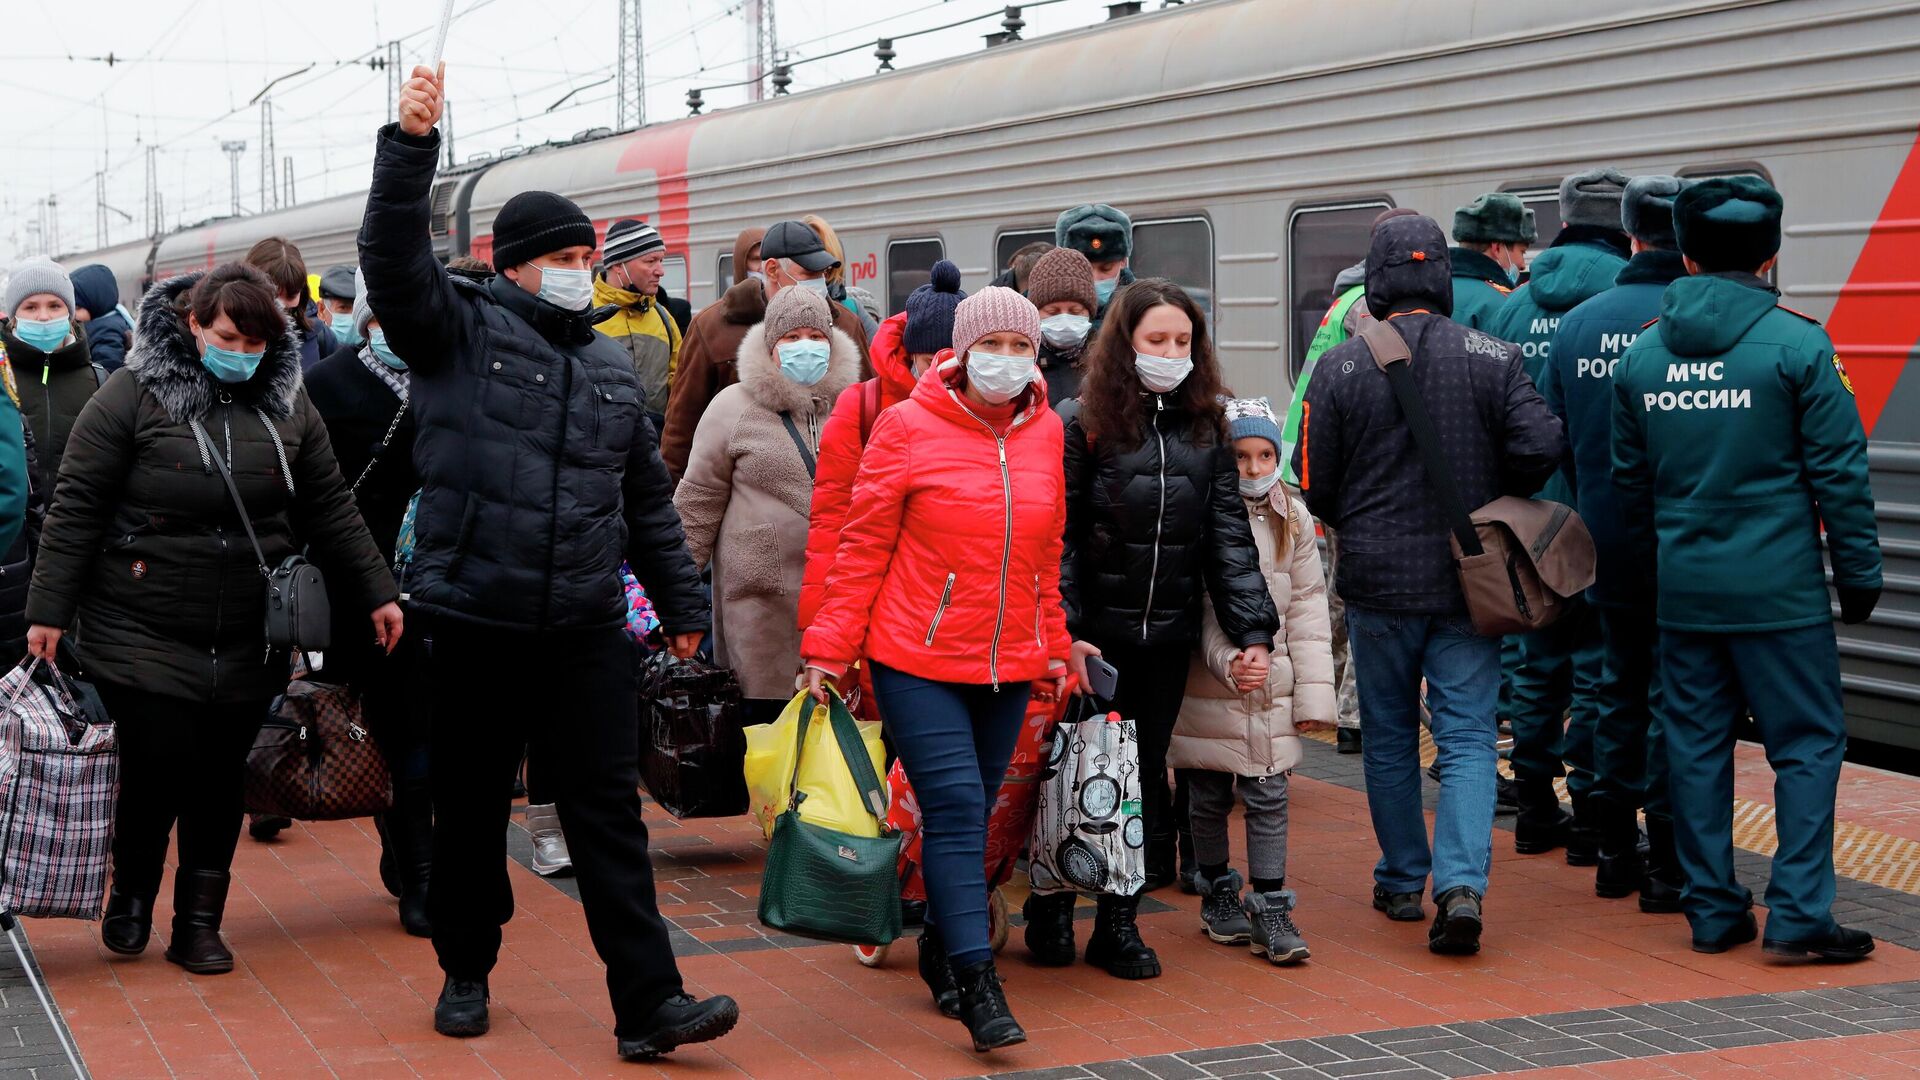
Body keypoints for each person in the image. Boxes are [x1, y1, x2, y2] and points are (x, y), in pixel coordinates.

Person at [360, 64, 737, 1060]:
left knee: (607, 813)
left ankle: (650, 1004)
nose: (579, 266)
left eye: (586, 252)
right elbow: (392, 260)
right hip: (475, 619)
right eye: (562, 254)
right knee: (475, 804)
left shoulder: (608, 363)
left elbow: (644, 499)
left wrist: (679, 601)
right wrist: (408, 149)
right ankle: (465, 964)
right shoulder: (456, 334)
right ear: (515, 264)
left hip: (583, 628)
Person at [23, 262, 402, 975]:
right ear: (194, 326)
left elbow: (330, 504)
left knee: (220, 776)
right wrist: (48, 610)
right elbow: (76, 506)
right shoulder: (130, 395)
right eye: (229, 337)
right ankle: (130, 896)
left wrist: (377, 589)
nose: (243, 354)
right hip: (142, 620)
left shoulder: (289, 404)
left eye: (258, 344)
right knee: (157, 765)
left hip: (249, 626)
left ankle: (199, 922)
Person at [1612, 177, 1880, 961]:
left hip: (1684, 595)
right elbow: (1841, 475)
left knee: (1694, 745)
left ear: (1685, 254)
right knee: (1805, 744)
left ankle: (1713, 910)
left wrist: (1650, 580)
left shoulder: (1643, 356)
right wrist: (1859, 575)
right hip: (1781, 595)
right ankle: (1798, 916)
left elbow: (1631, 492)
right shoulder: (1799, 345)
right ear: (1770, 256)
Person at [802, 286, 1069, 1053]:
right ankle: (980, 983)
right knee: (954, 810)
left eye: (1022, 348)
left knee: (974, 817)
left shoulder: (1046, 431)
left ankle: (940, 947)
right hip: (916, 657)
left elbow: (1047, 554)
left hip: (1009, 660)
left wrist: (1053, 641)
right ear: (961, 351)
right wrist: (828, 648)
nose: (1008, 362)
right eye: (995, 347)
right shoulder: (905, 426)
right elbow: (862, 548)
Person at [1295, 212, 1563, 954]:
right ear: (1441, 276)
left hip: (1378, 582)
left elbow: (1313, 484)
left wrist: (1362, 510)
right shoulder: (1494, 354)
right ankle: (1461, 887)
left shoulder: (1341, 366)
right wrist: (1496, 486)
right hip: (1469, 580)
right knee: (1471, 736)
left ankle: (1400, 878)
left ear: (1377, 283)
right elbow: (1543, 443)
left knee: (1386, 734)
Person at [1048, 278, 1280, 978]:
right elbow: (1054, 535)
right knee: (1066, 769)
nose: (1173, 352)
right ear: (1126, 344)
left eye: (1184, 341)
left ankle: (1119, 921)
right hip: (1094, 636)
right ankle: (1053, 905)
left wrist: (1254, 632)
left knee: (1141, 778)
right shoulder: (1081, 421)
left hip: (1165, 638)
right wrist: (1063, 628)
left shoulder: (1205, 428)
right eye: (1158, 340)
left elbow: (1226, 539)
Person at [1541, 175, 1692, 912]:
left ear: (1631, 236)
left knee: (1614, 688)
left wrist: (1593, 495)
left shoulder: (1578, 324)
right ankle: (1668, 862)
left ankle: (1611, 849)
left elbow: (1557, 440)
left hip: (1603, 532)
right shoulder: (1686, 317)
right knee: (1674, 698)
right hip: (1679, 539)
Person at [1486, 168, 1630, 863]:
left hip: (1528, 522)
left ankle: (1536, 806)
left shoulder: (1512, 308)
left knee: (1538, 664)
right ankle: (1595, 809)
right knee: (1602, 669)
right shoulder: (1622, 306)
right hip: (1601, 517)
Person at [1170, 396, 1333, 967]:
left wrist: (1315, 698)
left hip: (1273, 685)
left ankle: (1270, 905)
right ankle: (1217, 890)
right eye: (1241, 456)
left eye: (1266, 455)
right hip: (1212, 684)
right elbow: (1199, 610)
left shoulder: (1292, 515)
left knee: (1269, 794)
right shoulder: (1204, 512)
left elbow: (1310, 611)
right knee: (1209, 794)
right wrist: (1227, 661)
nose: (1255, 468)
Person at [305, 268, 432, 937]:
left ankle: (418, 855)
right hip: (366, 587)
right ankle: (415, 865)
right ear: (367, 320)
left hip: (445, 581)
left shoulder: (450, 376)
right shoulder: (326, 385)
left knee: (428, 730)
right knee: (395, 728)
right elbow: (309, 494)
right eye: (388, 318)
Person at [675, 286, 861, 722]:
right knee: (761, 735)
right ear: (770, 344)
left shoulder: (854, 406)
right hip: (758, 610)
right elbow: (696, 507)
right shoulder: (731, 406)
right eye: (791, 338)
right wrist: (678, 602)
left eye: (816, 337)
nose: (805, 347)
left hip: (838, 609)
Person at [800, 260, 965, 631]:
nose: (943, 372)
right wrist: (821, 624)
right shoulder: (862, 406)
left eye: (955, 361)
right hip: (880, 604)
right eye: (930, 360)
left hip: (960, 609)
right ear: (909, 355)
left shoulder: (989, 413)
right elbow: (831, 519)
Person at [661, 222, 865, 480]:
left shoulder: (845, 324)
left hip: (836, 492)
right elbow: (682, 428)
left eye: (822, 273)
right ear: (772, 269)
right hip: (744, 495)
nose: (819, 283)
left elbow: (869, 411)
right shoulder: (713, 327)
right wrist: (670, 502)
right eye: (808, 273)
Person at [1280, 257, 1377, 756]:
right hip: (1339, 469)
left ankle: (1323, 698)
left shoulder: (1338, 303)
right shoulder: (1366, 307)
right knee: (1357, 590)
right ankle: (1353, 715)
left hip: (1305, 459)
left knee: (1331, 590)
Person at [3, 258, 104, 486]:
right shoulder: (2, 381)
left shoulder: (100, 382)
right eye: (30, 307)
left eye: (54, 305)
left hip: (78, 519)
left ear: (69, 313)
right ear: (13, 317)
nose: (44, 316)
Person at [594, 218, 683, 431]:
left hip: (655, 448)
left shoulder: (664, 318)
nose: (660, 271)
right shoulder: (585, 314)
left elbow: (679, 386)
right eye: (650, 261)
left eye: (661, 261)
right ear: (618, 265)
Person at [244, 237, 338, 370]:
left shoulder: (321, 337)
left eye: (291, 295)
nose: (282, 304)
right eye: (274, 295)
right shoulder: (235, 339)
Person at [1448, 193, 1533, 331]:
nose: (1523, 265)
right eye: (1522, 252)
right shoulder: (1505, 304)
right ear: (1497, 248)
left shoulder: (1434, 292)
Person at [1025, 247, 1096, 405]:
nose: (1064, 319)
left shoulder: (1107, 361)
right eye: (1053, 312)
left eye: (1075, 311)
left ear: (1089, 313)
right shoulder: (1023, 363)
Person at [1056, 203, 1135, 337]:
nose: (1095, 278)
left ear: (1123, 261)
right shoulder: (1044, 305)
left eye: (1106, 268)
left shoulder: (1140, 306)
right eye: (1083, 268)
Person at [803, 214, 879, 339]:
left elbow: (880, 351)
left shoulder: (851, 309)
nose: (818, 266)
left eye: (824, 259)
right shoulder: (774, 309)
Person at [70, 263, 133, 372]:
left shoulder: (106, 332)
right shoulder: (113, 321)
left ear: (95, 304)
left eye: (78, 307)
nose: (73, 315)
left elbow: (108, 370)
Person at [318, 265, 361, 348]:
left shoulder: (382, 352)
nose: (353, 317)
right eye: (343, 308)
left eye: (359, 309)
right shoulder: (310, 354)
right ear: (321, 310)